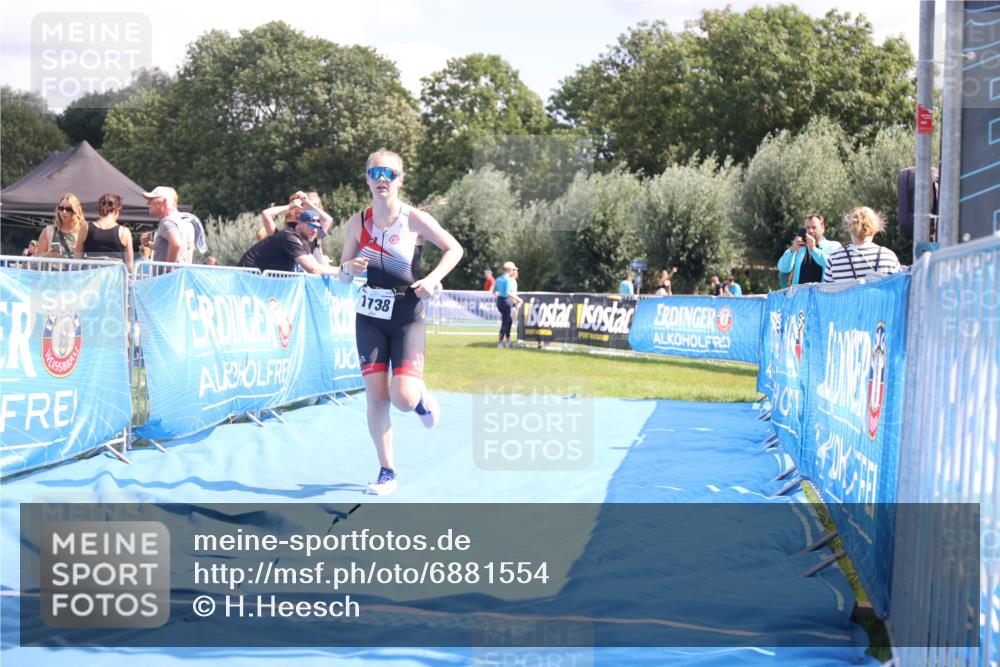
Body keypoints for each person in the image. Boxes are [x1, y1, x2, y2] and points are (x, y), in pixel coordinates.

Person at [339, 148, 463, 495]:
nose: (382, 179)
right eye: (375, 172)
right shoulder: (357, 223)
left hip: (407, 315)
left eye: (390, 173)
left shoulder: (414, 219)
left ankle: (420, 399)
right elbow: (342, 275)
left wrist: (433, 279)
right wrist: (349, 268)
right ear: (367, 179)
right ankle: (387, 472)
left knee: (403, 398)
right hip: (370, 317)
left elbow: (454, 249)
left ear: (400, 180)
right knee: (376, 398)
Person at [239, 210, 339, 274]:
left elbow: (315, 266)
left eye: (318, 227)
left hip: (262, 279)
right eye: (312, 226)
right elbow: (312, 269)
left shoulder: (304, 242)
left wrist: (340, 270)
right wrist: (341, 271)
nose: (315, 230)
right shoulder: (289, 237)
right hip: (248, 276)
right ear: (299, 224)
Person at [823, 206, 902, 284]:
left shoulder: (834, 259)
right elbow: (899, 287)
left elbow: (828, 290)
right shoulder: (888, 256)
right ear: (875, 228)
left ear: (850, 227)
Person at [776, 213, 842, 285]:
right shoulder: (800, 247)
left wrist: (814, 249)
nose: (810, 231)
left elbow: (834, 267)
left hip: (822, 291)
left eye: (814, 227)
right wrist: (792, 249)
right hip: (799, 291)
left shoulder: (834, 246)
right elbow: (783, 269)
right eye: (807, 227)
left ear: (823, 228)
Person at [74, 192, 135, 271]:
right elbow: (130, 264)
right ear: (117, 210)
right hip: (114, 277)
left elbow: (77, 259)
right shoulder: (124, 232)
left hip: (91, 276)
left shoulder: (85, 228)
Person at [143, 186, 192, 263]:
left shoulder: (167, 221)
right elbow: (168, 248)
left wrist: (168, 267)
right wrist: (147, 244)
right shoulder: (183, 221)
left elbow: (176, 244)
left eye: (152, 199)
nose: (148, 203)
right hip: (181, 270)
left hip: (170, 271)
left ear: (164, 202)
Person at [35, 193, 86, 259]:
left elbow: (90, 256)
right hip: (53, 265)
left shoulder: (82, 231)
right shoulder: (48, 231)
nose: (64, 212)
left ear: (75, 211)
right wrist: (48, 255)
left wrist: (79, 253)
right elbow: (36, 259)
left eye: (68, 209)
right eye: (61, 208)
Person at [493, 261, 522, 349]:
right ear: (510, 270)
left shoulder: (499, 278)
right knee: (505, 322)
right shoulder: (508, 279)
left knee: (508, 321)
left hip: (500, 301)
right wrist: (518, 299)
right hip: (506, 301)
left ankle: (507, 341)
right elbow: (508, 293)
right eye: (513, 269)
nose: (514, 271)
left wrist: (499, 294)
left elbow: (494, 291)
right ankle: (500, 343)